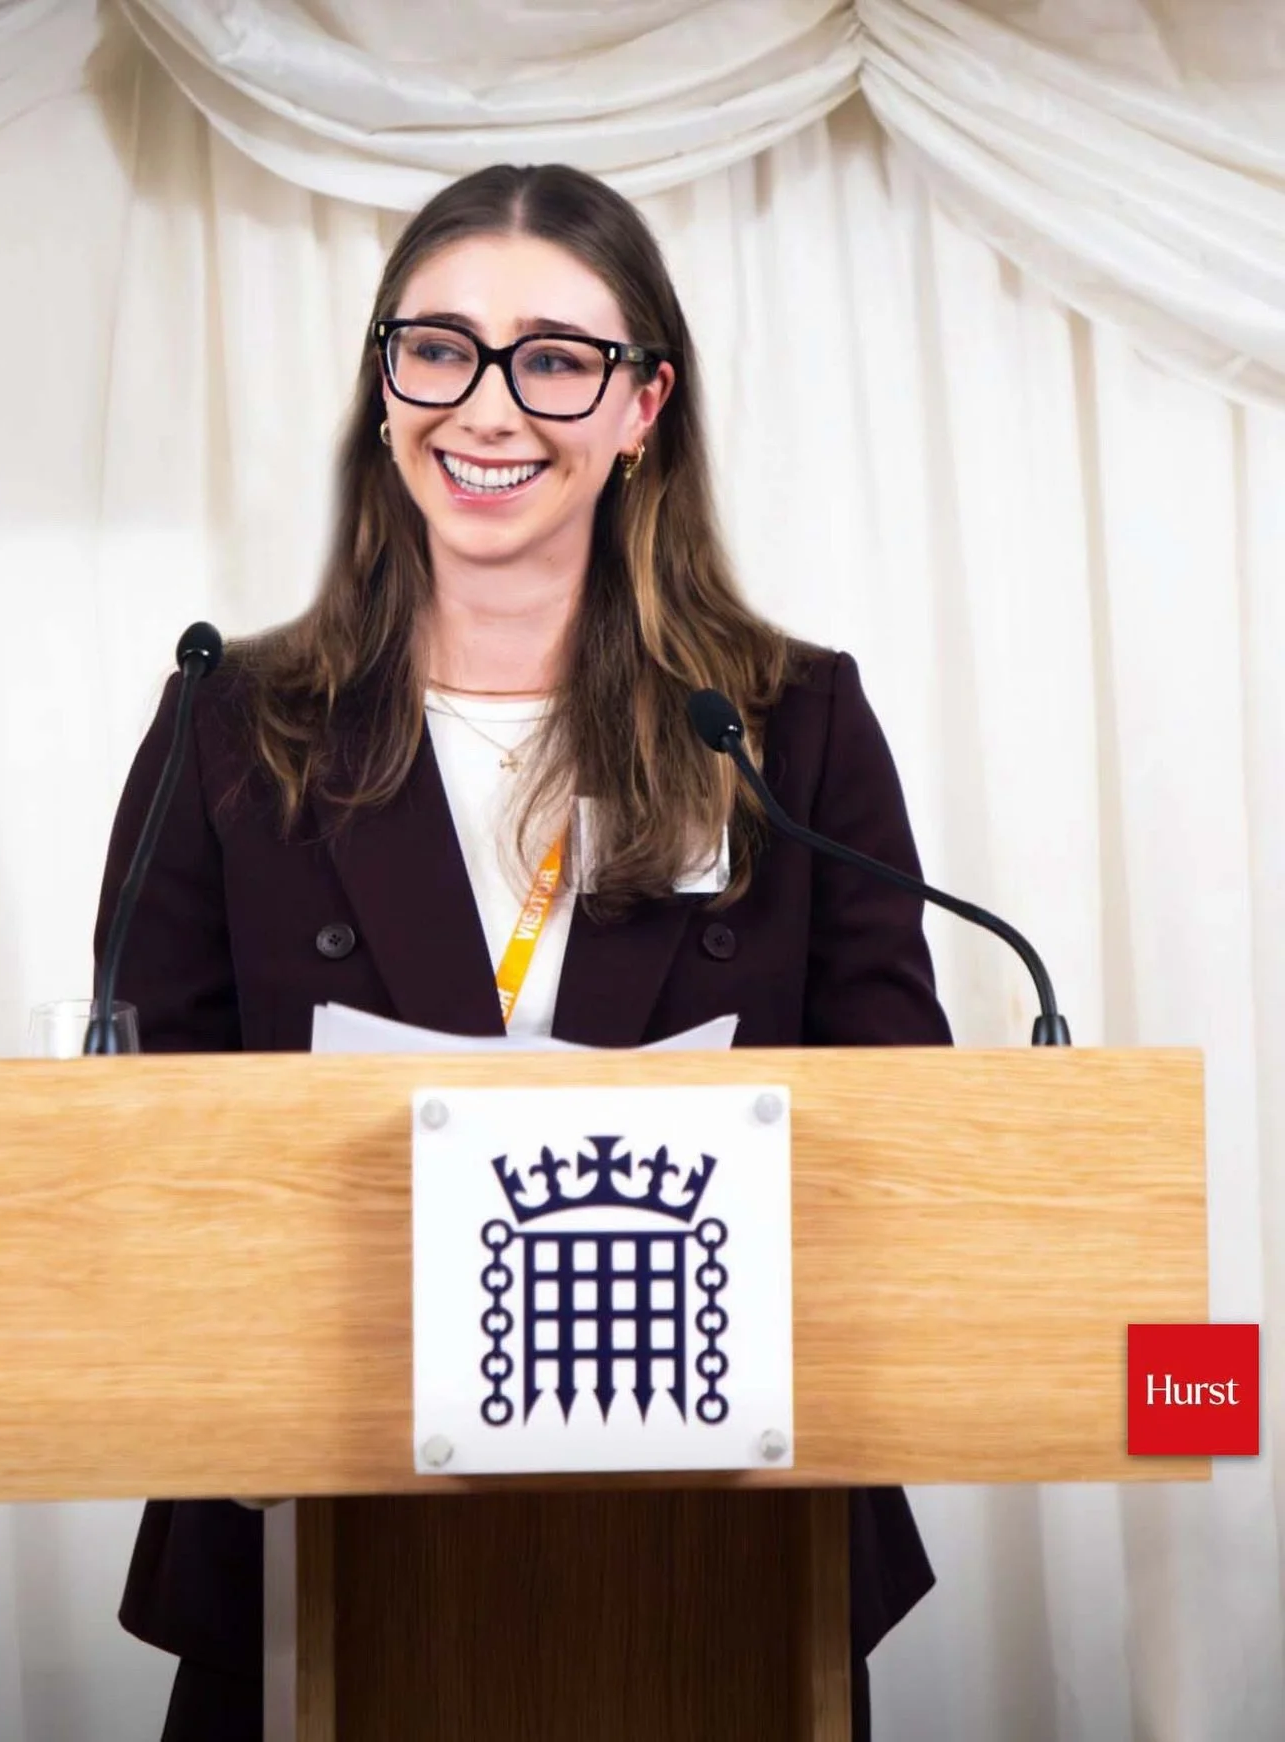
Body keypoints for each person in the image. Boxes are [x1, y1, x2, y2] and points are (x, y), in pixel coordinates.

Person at [96, 161, 950, 1742]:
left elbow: (897, 1136)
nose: (487, 405)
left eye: (555, 357)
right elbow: (146, 1141)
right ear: (384, 382)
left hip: (722, 1542)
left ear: (643, 408)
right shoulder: (229, 723)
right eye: (440, 347)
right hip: (312, 1529)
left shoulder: (788, 728)